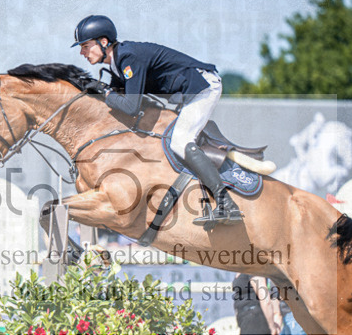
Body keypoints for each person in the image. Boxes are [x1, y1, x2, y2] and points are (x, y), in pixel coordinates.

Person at [72, 14, 243, 227]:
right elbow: (118, 101)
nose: (82, 52)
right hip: (186, 93)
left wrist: (105, 92)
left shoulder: (128, 57)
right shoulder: (117, 64)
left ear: (104, 42)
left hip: (202, 87)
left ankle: (226, 203)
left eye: (85, 46)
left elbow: (131, 107)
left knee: (180, 141)